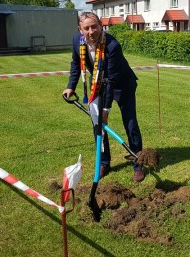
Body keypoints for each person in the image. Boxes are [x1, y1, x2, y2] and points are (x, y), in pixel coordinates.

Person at [62, 12, 145, 183]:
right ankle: (104, 162)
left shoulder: (112, 45)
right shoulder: (77, 41)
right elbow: (76, 64)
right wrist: (71, 86)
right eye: (86, 28)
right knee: (97, 126)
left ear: (101, 26)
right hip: (98, 83)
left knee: (130, 124)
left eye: (94, 26)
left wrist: (106, 110)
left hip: (122, 85)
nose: (91, 31)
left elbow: (111, 79)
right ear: (80, 29)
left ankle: (138, 164)